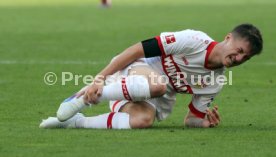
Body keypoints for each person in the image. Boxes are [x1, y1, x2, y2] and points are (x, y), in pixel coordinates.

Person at [39, 23, 263, 129]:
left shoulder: (215, 82)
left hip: (152, 93)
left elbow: (191, 119)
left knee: (143, 120)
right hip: (135, 70)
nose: (239, 58)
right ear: (228, 38)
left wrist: (204, 123)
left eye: (246, 57)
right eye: (240, 50)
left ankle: (75, 123)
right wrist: (98, 79)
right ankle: (82, 98)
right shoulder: (194, 40)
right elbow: (138, 49)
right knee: (158, 85)